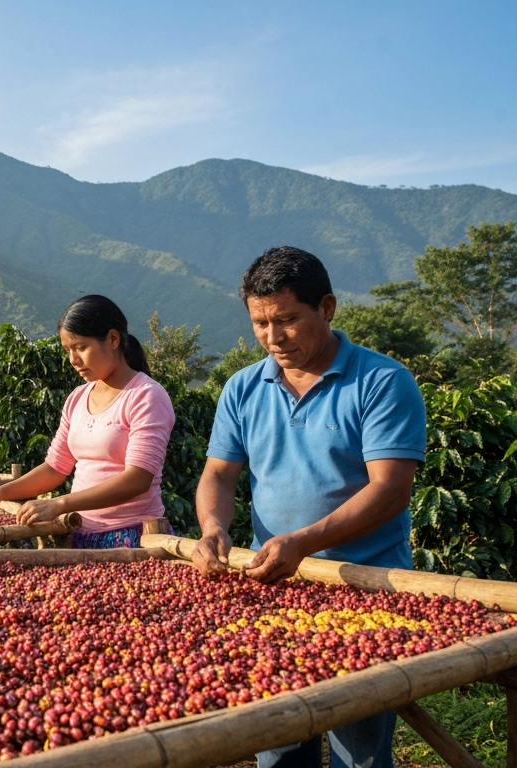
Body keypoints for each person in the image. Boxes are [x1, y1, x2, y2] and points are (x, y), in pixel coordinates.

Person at [191, 246, 426, 768]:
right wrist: (212, 526)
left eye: (288, 320)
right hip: (272, 585)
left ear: (327, 307)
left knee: (359, 748)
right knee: (277, 740)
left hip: (364, 588)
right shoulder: (243, 387)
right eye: (260, 323)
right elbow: (218, 474)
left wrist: (305, 542)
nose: (273, 337)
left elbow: (389, 489)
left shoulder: (382, 382)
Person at [0, 295, 175, 548]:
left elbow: (138, 479)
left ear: (112, 339)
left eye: (81, 347)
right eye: (68, 350)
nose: (73, 360)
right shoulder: (78, 398)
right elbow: (55, 467)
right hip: (79, 532)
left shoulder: (146, 395)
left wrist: (60, 503)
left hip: (131, 536)